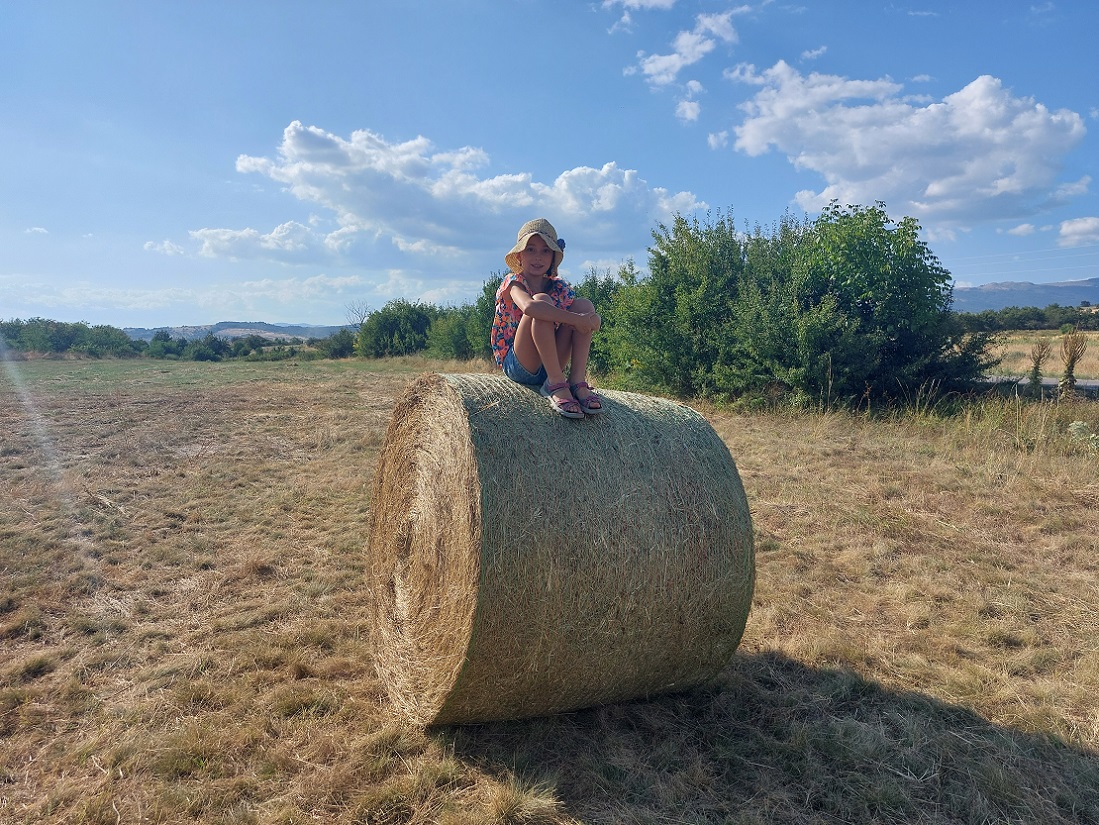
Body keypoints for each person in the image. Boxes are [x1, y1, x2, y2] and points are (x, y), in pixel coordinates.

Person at [491, 218, 604, 418]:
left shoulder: (560, 287)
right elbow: (529, 307)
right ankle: (555, 384)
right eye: (531, 249)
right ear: (519, 255)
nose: (538, 257)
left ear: (553, 257)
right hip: (519, 365)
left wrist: (589, 319)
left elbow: (586, 315)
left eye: (545, 251)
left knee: (583, 305)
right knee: (541, 303)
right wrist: (579, 320)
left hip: (551, 362)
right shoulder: (513, 283)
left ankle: (576, 381)